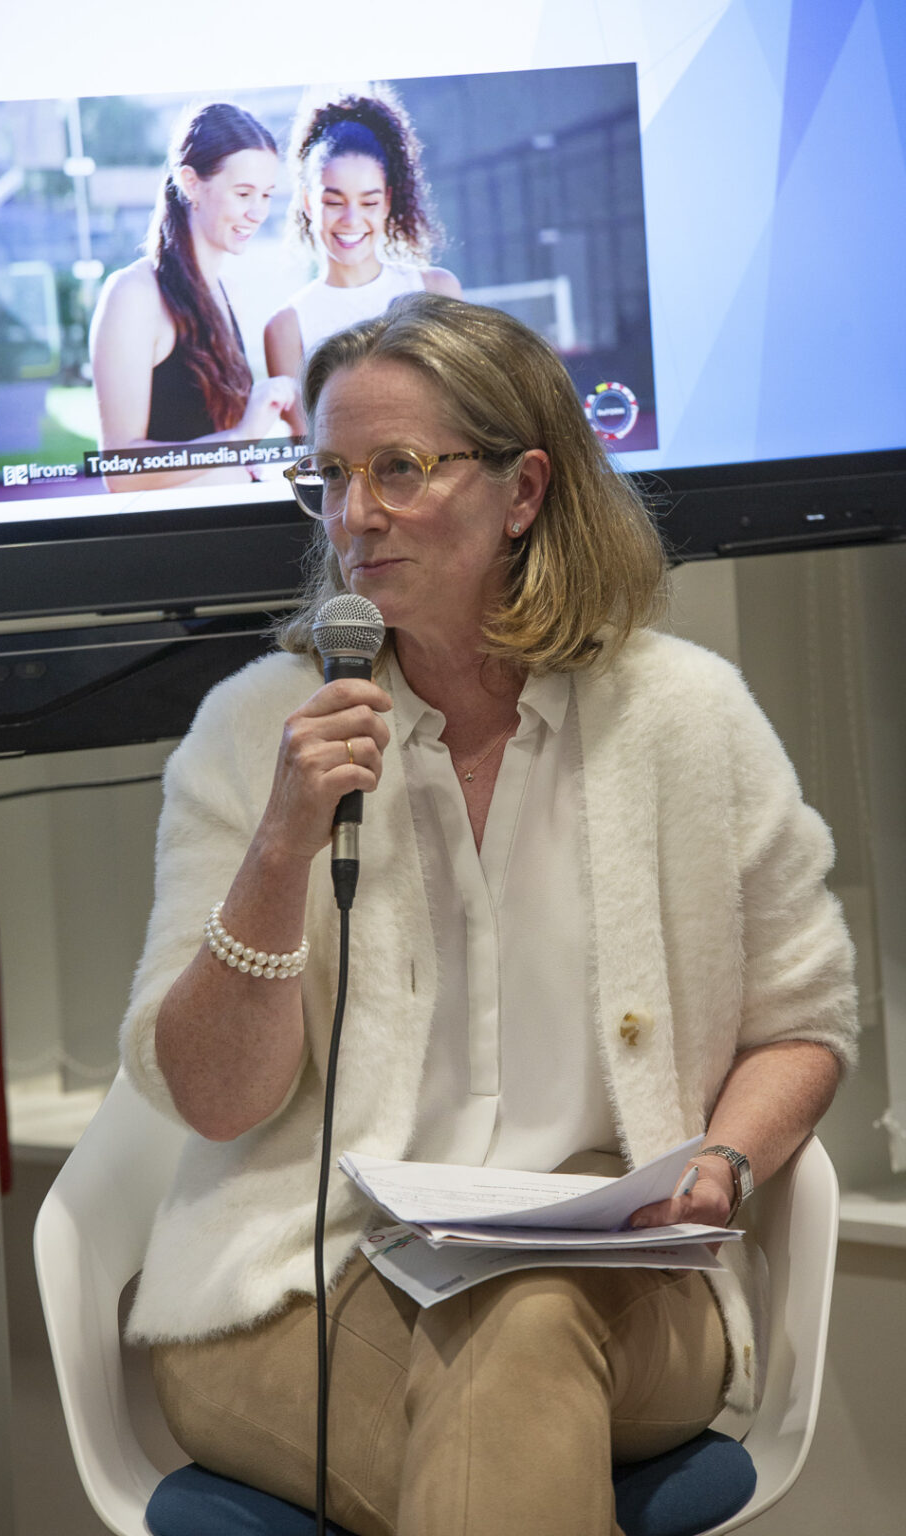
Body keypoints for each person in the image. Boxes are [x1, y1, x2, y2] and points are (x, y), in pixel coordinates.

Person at [119, 293, 857, 1536]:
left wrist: (722, 1164)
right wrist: (281, 846)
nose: (355, 515)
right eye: (331, 476)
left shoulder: (687, 718)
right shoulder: (253, 731)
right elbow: (215, 1101)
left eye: (400, 469)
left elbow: (803, 1021)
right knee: (501, 1425)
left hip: (615, 1278)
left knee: (522, 1318)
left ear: (523, 491)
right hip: (303, 1280)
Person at [90, 101, 296, 492]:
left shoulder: (225, 292)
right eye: (243, 193)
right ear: (190, 182)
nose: (258, 212)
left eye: (266, 195)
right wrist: (240, 439)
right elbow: (120, 471)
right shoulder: (134, 294)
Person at [264, 90, 461, 433]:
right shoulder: (286, 327)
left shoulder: (437, 289)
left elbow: (464, 409)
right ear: (308, 203)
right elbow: (309, 446)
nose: (352, 220)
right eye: (334, 202)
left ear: (387, 202)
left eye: (368, 203)